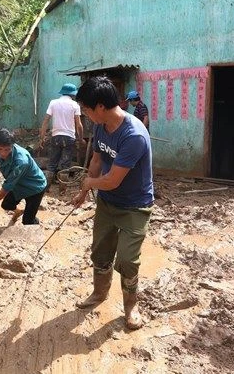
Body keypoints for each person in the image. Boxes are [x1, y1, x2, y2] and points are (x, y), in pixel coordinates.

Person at [71, 76, 154, 330]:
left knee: (128, 260)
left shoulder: (134, 135)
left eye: (85, 108)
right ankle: (99, 293)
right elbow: (97, 161)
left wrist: (89, 184)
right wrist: (84, 192)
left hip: (134, 205)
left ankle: (131, 306)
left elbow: (113, 180)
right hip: (107, 203)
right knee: (101, 252)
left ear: (99, 107)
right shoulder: (100, 126)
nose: (84, 114)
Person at [0, 128, 47, 225]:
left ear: (12, 146)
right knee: (7, 205)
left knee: (28, 221)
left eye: (7, 149)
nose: (3, 153)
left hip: (35, 187)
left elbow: (8, 185)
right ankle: (18, 212)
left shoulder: (21, 161)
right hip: (18, 184)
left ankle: (35, 225)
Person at [39, 83, 85, 180]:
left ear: (62, 93)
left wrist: (42, 138)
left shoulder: (53, 103)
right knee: (65, 165)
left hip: (56, 137)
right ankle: (62, 191)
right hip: (69, 138)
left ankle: (46, 187)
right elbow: (79, 124)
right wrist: (81, 139)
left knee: (52, 164)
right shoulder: (75, 105)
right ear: (72, 94)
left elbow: (46, 121)